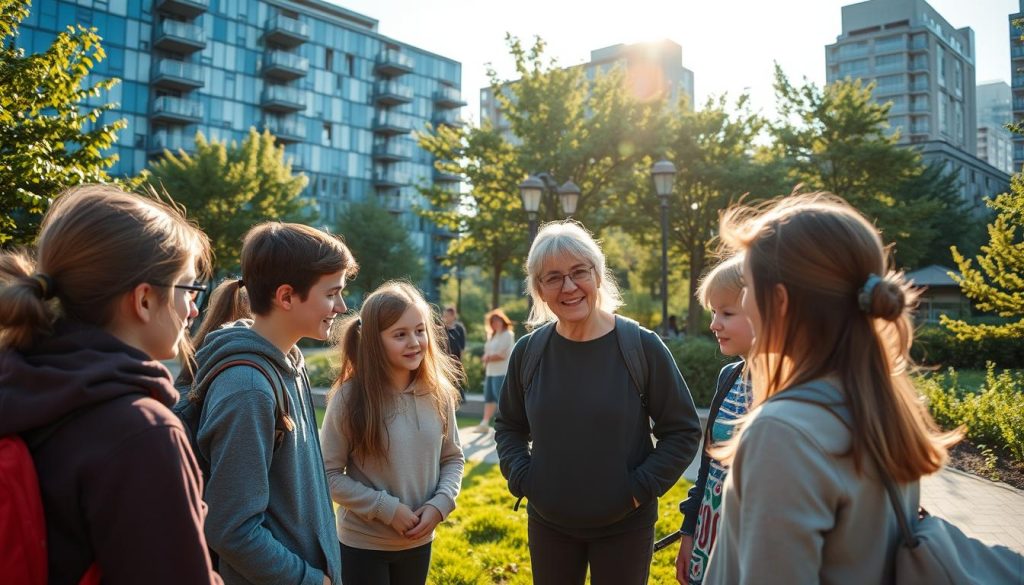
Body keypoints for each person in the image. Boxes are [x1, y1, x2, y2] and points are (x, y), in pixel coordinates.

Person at [704, 194, 961, 584]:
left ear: (780, 301)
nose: (743, 301)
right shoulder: (877, 404)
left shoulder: (783, 433)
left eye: (747, 289)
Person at [0, 185, 221, 584]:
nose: (193, 308)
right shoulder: (142, 432)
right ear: (144, 300)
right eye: (188, 288)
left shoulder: (20, 388)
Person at [494, 220, 702, 585]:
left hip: (625, 527)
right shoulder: (529, 352)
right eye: (554, 277)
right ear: (539, 289)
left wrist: (636, 491)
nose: (569, 287)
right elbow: (509, 426)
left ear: (599, 275)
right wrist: (526, 480)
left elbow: (682, 431)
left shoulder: (642, 346)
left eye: (579, 272)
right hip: (549, 525)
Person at [188, 222, 356, 585]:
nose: (341, 306)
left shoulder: (289, 361)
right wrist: (310, 580)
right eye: (332, 294)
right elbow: (232, 528)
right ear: (286, 297)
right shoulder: (248, 389)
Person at [320, 281, 464, 585]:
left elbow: (453, 458)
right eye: (400, 334)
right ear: (374, 341)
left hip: (419, 542)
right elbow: (327, 474)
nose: (414, 342)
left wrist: (440, 505)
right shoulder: (349, 398)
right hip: (362, 545)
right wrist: (386, 509)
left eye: (420, 330)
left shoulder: (439, 392)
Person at [675, 255, 753, 585]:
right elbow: (707, 466)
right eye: (713, 312)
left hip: (748, 545)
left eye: (727, 313)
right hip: (709, 534)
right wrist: (689, 530)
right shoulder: (728, 376)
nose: (714, 324)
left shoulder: (789, 390)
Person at [479, 307, 514, 429]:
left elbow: (503, 355)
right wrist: (486, 357)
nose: (495, 323)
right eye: (493, 321)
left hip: (501, 372)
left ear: (503, 321)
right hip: (490, 372)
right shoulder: (492, 336)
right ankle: (484, 423)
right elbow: (487, 352)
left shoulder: (507, 335)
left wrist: (488, 357)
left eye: (497, 320)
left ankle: (505, 424)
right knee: (488, 398)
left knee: (501, 399)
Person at [442, 305, 467, 402]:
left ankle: (459, 399)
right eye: (444, 316)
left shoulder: (459, 328)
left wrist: (460, 360)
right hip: (445, 360)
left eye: (447, 316)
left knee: (456, 381)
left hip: (456, 360)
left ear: (453, 316)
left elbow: (462, 345)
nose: (445, 318)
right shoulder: (442, 328)